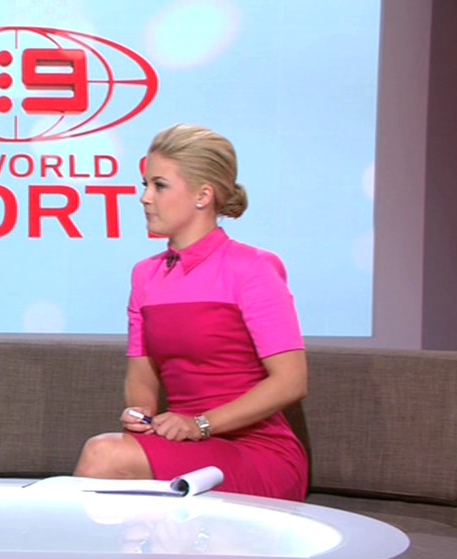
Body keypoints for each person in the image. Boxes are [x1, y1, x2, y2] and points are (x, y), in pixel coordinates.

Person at [73, 124, 309, 501]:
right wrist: (140, 414)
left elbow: (291, 382)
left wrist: (201, 424)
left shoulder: (253, 268)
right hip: (183, 442)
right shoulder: (145, 275)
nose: (145, 198)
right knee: (108, 458)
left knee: (103, 455)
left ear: (203, 195)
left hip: (257, 451)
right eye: (145, 185)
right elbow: (142, 376)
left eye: (160, 186)